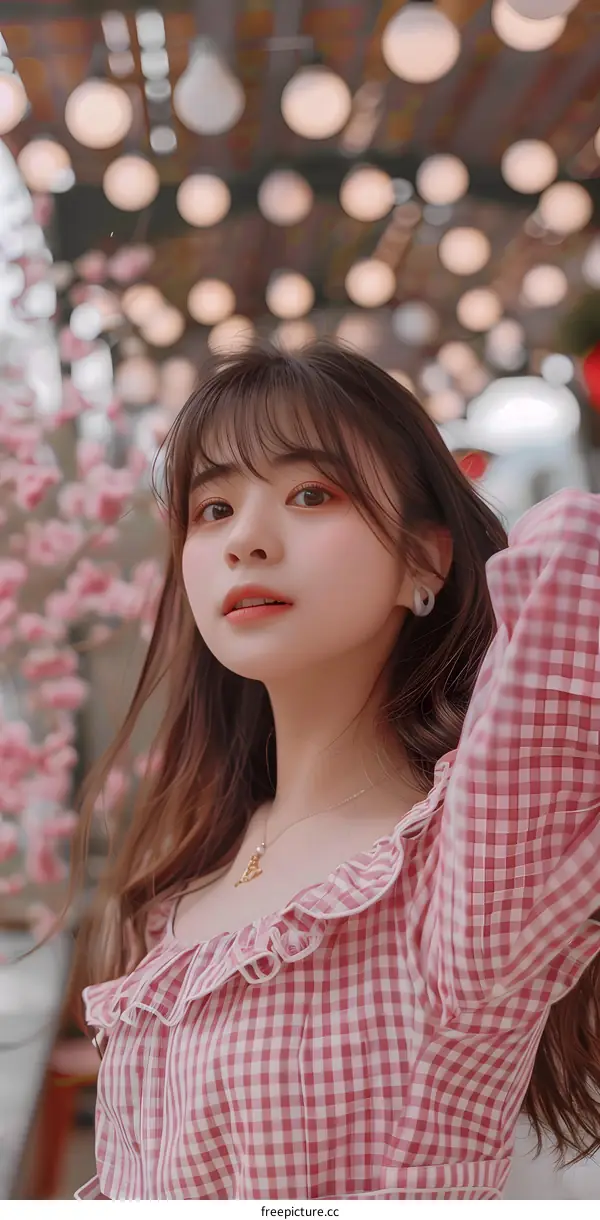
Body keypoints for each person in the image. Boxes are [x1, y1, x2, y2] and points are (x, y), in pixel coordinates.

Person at [69, 341, 600, 1201]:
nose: (245, 539)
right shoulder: (182, 879)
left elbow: (577, 548)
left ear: (424, 562)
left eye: (312, 493)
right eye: (211, 509)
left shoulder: (462, 867)